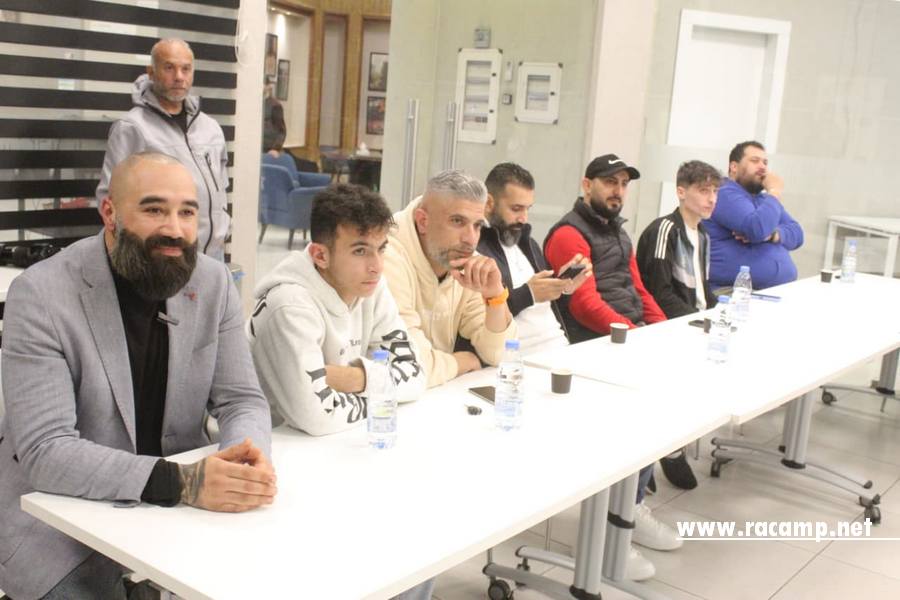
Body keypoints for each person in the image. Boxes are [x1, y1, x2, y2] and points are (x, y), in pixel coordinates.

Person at [0, 152, 275, 600]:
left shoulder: (212, 283)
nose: (175, 229)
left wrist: (246, 461)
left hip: (177, 517)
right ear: (110, 213)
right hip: (61, 523)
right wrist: (184, 483)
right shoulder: (41, 294)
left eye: (187, 212)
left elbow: (241, 399)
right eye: (154, 209)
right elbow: (46, 450)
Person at [543, 154, 678, 581]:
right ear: (587, 185)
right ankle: (608, 529)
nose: (618, 191)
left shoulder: (619, 233)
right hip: (592, 345)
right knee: (634, 423)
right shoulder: (569, 235)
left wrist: (663, 331)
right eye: (609, 182)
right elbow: (583, 304)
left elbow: (638, 288)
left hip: (627, 337)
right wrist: (634, 335)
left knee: (662, 414)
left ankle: (631, 508)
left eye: (623, 183)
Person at [248, 183, 427, 436]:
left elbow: (417, 377)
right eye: (360, 251)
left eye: (381, 249)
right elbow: (316, 418)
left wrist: (352, 378)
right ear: (320, 256)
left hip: (324, 441)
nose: (376, 266)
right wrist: (383, 393)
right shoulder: (289, 304)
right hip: (266, 443)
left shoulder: (371, 286)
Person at [96, 38, 230, 261]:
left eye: (186, 69)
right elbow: (110, 197)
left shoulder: (211, 128)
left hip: (212, 256)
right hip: (163, 256)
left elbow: (221, 188)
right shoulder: (133, 128)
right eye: (169, 68)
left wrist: (224, 226)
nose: (179, 76)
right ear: (151, 72)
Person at [383, 170, 516, 388]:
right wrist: (460, 362)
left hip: (433, 393)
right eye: (457, 221)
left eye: (477, 225)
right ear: (423, 221)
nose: (470, 239)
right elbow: (408, 367)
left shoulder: (465, 260)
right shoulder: (385, 255)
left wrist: (495, 296)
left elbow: (500, 354)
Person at [636, 159, 721, 491]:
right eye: (703, 190)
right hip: (669, 326)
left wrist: (717, 315)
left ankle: (673, 446)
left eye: (714, 191)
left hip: (696, 321)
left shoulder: (704, 235)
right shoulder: (665, 230)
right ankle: (666, 453)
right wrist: (699, 322)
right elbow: (658, 292)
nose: (711, 198)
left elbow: (703, 290)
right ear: (681, 192)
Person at [477, 162, 591, 353]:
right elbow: (477, 317)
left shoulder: (528, 243)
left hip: (560, 345)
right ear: (489, 203)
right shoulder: (475, 249)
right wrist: (528, 294)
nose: (524, 218)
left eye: (527, 209)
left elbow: (545, 308)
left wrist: (563, 288)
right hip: (516, 354)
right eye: (516, 209)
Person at [705, 141, 804, 290]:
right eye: (755, 161)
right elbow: (756, 229)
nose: (762, 167)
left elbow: (798, 234)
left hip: (774, 291)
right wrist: (775, 191)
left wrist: (773, 235)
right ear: (734, 167)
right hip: (735, 292)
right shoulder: (724, 193)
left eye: (765, 162)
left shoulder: (764, 200)